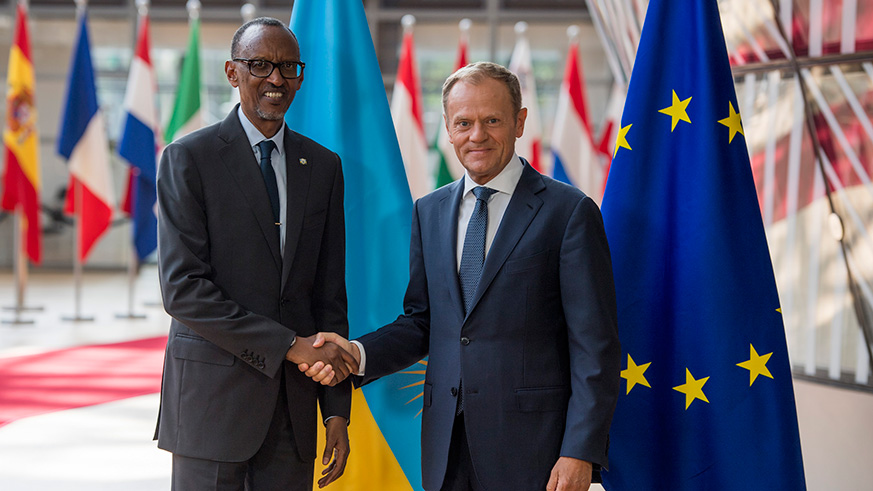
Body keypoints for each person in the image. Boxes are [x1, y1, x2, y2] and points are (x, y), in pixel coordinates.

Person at [301, 62, 621, 491]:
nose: (477, 135)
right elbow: (422, 321)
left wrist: (579, 450)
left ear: (520, 122)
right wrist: (356, 354)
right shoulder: (429, 211)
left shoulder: (568, 212)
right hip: (444, 446)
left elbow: (594, 345)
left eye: (492, 120)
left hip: (535, 453)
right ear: (448, 131)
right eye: (463, 123)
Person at [155, 17, 358, 491]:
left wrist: (336, 412)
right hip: (211, 409)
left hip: (293, 415)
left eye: (288, 68)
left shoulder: (324, 167)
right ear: (232, 73)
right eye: (260, 64)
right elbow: (183, 290)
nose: (276, 79)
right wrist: (289, 345)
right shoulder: (189, 159)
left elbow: (329, 297)